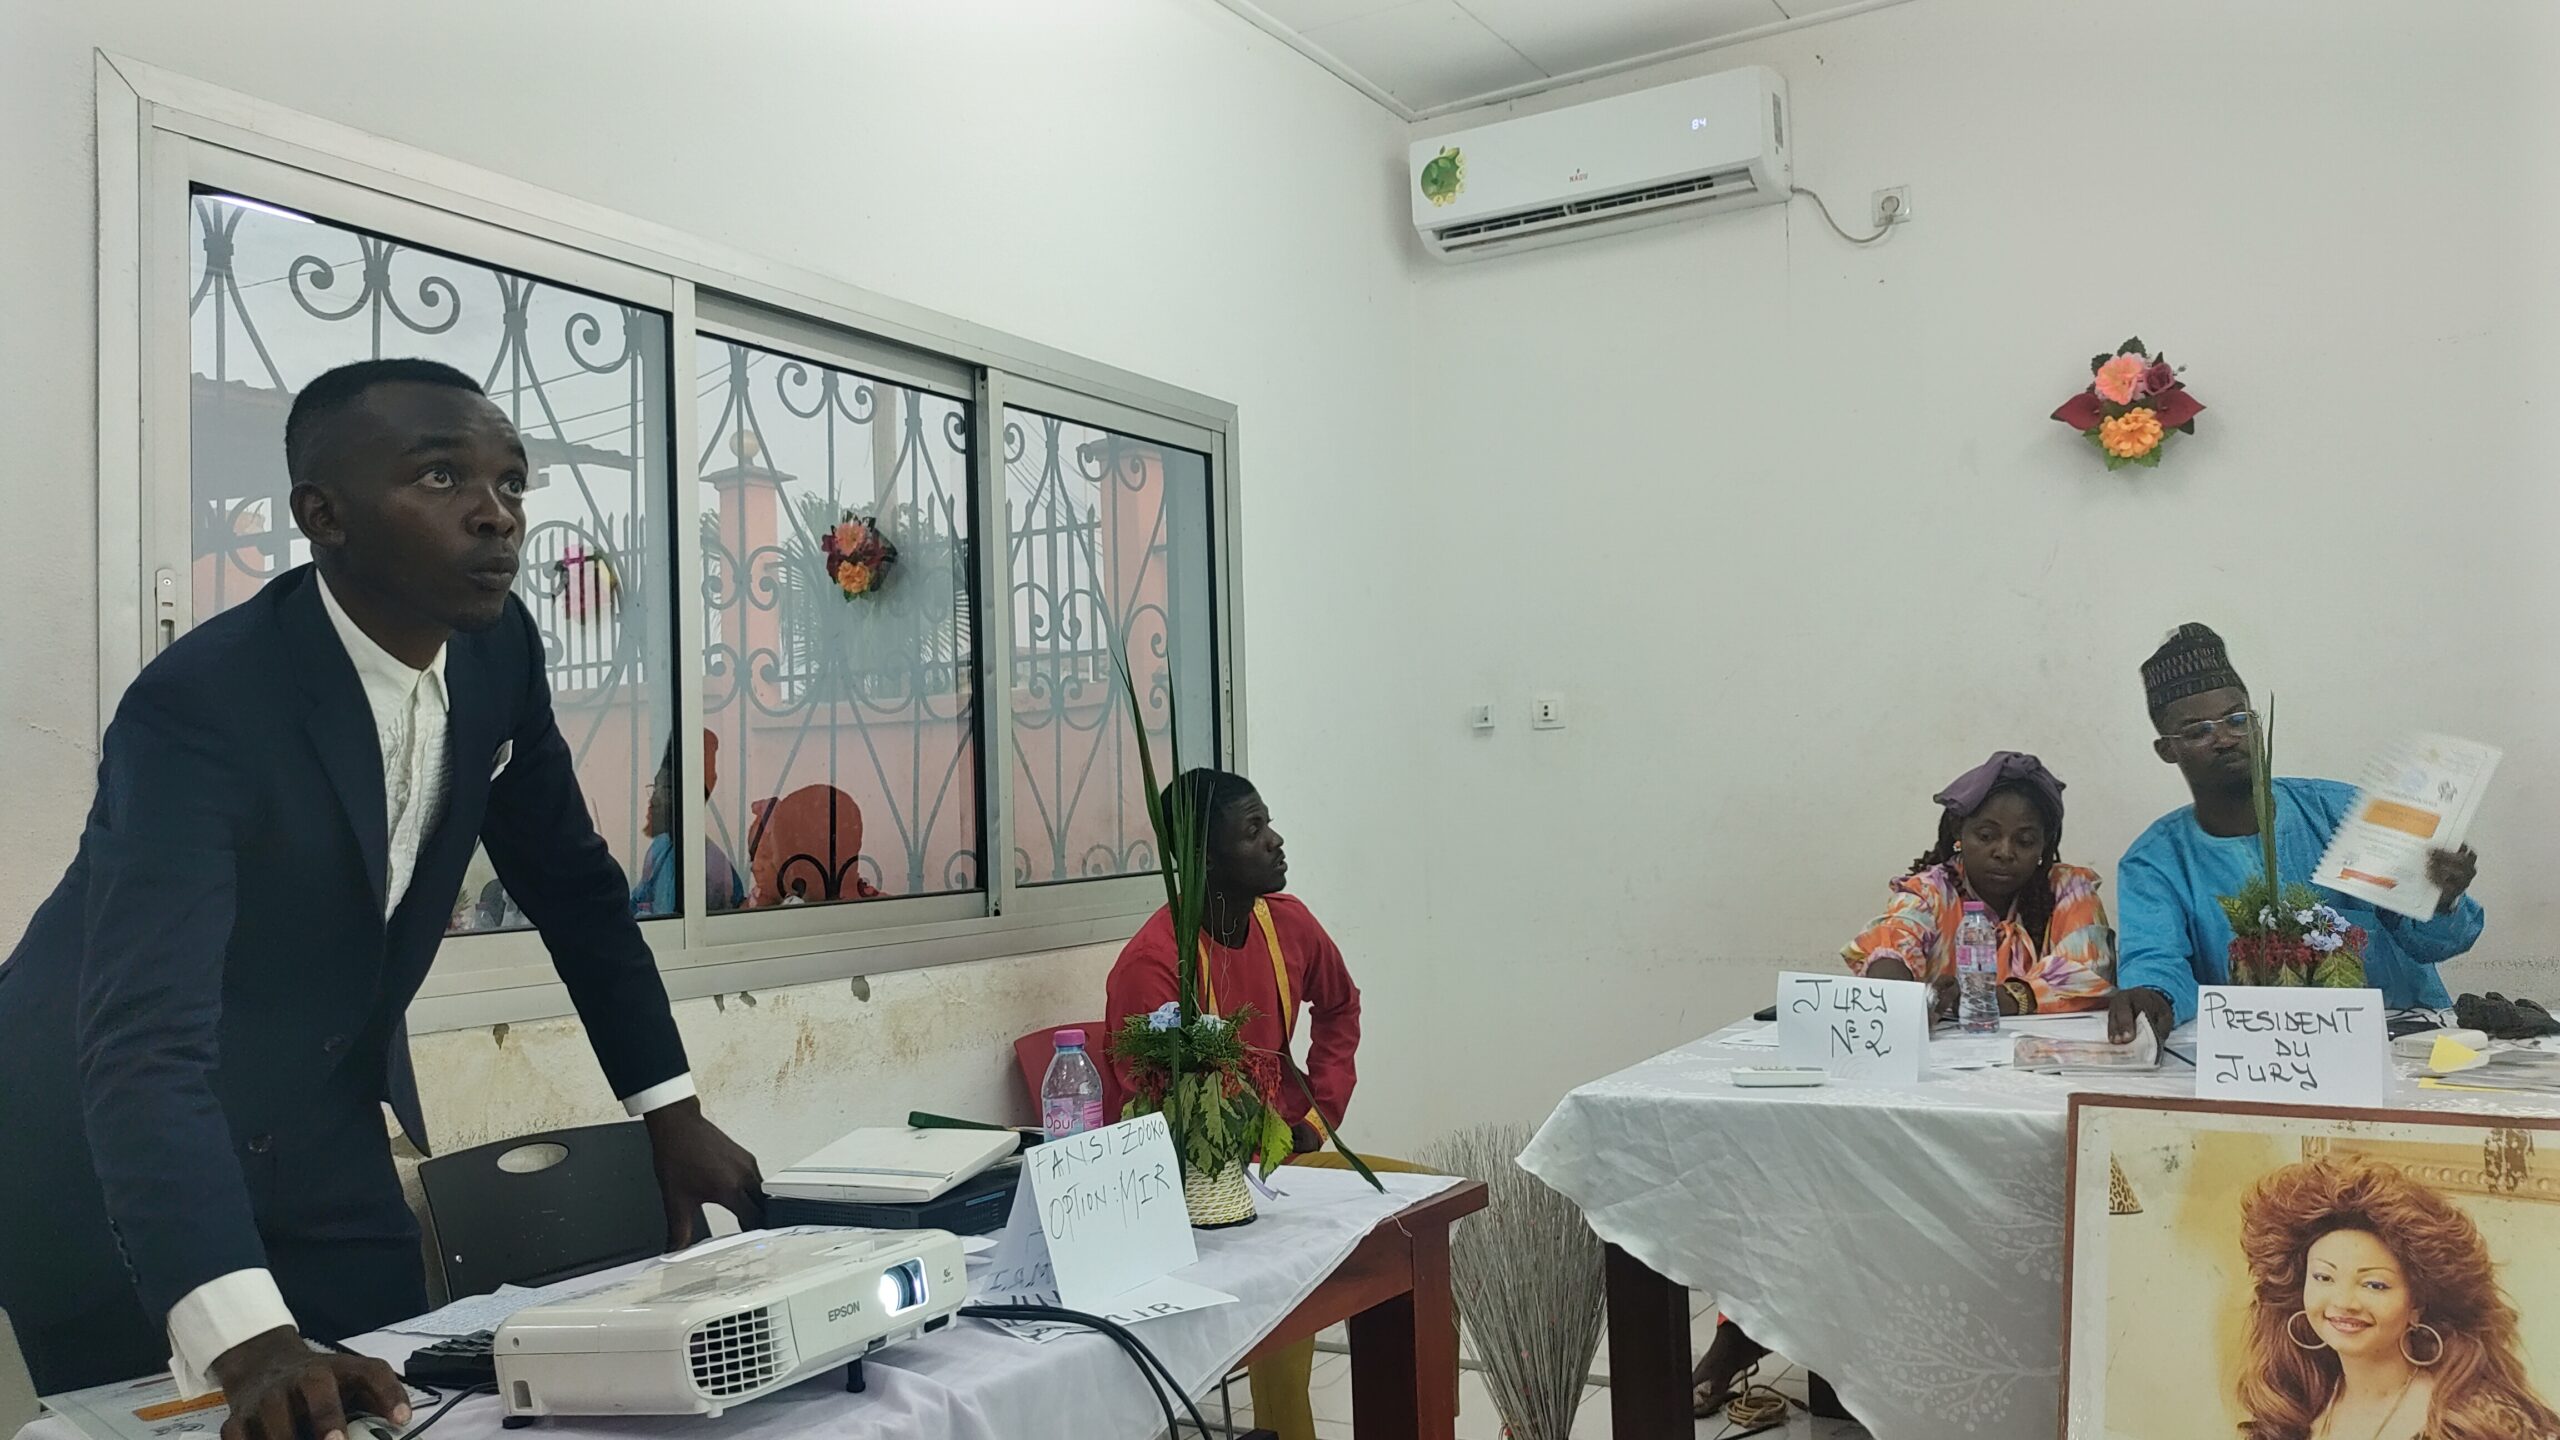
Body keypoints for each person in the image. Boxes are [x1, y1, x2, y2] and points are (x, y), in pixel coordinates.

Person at [0, 360, 765, 1430]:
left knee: (401, 1400)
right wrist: (248, 1341)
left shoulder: (498, 654)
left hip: (322, 1126)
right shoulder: (202, 705)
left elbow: (578, 895)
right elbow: (143, 1039)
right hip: (102, 1144)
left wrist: (670, 1113)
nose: (496, 515)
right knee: (212, 1416)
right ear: (324, 516)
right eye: (441, 477)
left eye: (511, 482)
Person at [1099, 769, 1365, 1440]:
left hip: (1285, 1168)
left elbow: (1340, 1006)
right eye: (1253, 830)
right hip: (1198, 1190)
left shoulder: (1289, 922)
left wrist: (1318, 1115)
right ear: (1205, 859)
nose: (1276, 841)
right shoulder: (1153, 964)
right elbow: (1154, 1108)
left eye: (1267, 822)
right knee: (1287, 1303)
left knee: (1417, 1228)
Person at [2107, 624, 2484, 1043]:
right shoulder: (2154, 863)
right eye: (2198, 731)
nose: (2225, 739)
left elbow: (2442, 943)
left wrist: (2442, 898)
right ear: (2167, 750)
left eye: (2237, 719)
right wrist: (2153, 996)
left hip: (2403, 1049)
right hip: (2262, 1058)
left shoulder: (2343, 812)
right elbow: (2156, 962)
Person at [2236, 1156, 2559, 1440]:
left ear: (2418, 1303)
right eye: (2324, 1277)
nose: (2344, 1301)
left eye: (2374, 1285)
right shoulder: (2294, 1405)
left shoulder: (2472, 1422)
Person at [1843, 750, 2117, 1016]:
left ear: (2044, 844)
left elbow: (2092, 970)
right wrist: (1899, 998)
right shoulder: (1929, 892)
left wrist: (1990, 999)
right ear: (1958, 831)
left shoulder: (2069, 889)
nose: (2005, 852)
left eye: (2024, 841)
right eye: (1986, 836)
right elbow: (1892, 943)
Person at [631, 730, 745, 916]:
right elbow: (635, 903)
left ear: (685, 799)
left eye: (664, 790)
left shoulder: (707, 870)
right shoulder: (661, 846)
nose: (652, 800)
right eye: (655, 788)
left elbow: (671, 928)